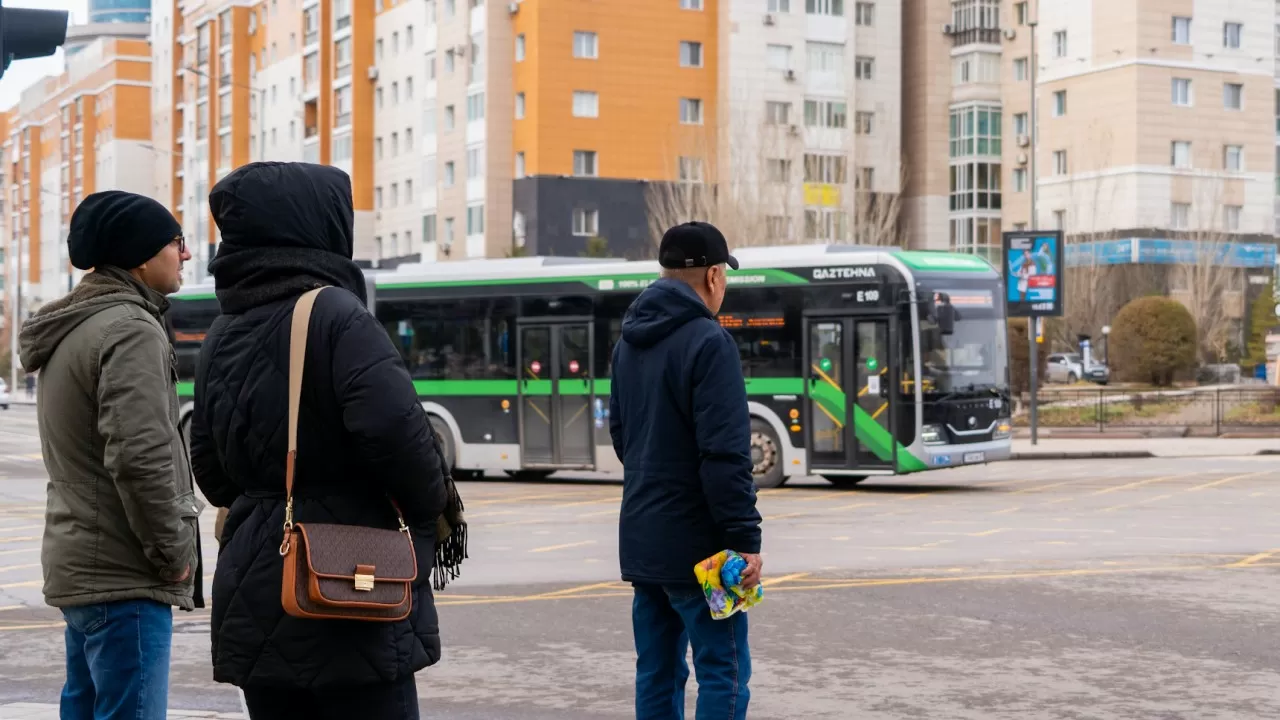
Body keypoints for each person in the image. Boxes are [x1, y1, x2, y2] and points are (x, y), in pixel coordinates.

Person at [189, 161, 452, 719]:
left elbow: (211, 473)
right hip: (346, 580)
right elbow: (399, 439)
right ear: (319, 225)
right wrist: (429, 512)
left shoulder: (220, 333)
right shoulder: (335, 314)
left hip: (258, 580)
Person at [17, 190, 198, 719]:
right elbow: (139, 456)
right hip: (125, 576)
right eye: (176, 242)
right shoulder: (131, 328)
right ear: (141, 255)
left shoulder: (77, 326)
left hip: (86, 569)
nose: (185, 255)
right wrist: (173, 557)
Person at [609, 221, 764, 720]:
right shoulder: (709, 343)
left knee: (656, 671)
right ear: (714, 276)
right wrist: (745, 539)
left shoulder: (627, 343)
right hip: (705, 550)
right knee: (724, 669)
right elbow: (725, 455)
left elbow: (621, 439)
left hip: (642, 538)